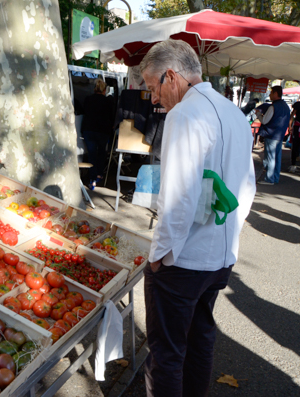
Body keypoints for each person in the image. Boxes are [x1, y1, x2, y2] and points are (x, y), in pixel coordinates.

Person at [139, 39, 256, 397]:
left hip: (184, 261)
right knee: (201, 337)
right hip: (220, 258)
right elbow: (247, 187)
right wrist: (230, 234)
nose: (154, 99)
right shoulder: (234, 113)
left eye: (151, 88)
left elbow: (178, 199)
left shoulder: (184, 115)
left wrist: (158, 256)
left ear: (170, 77)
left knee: (167, 352)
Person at [81, 78, 115, 189]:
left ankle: (92, 180)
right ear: (104, 90)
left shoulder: (88, 99)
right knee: (101, 154)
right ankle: (99, 175)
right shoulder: (108, 101)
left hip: (89, 130)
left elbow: (85, 112)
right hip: (103, 131)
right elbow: (111, 116)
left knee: (91, 155)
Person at [255, 86, 290, 184]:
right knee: (277, 158)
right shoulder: (285, 106)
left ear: (275, 93)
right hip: (280, 135)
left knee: (270, 158)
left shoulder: (273, 106)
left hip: (271, 134)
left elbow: (265, 121)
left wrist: (258, 114)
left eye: (271, 93)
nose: (269, 95)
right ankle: (275, 178)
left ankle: (269, 179)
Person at [288, 101, 300, 171]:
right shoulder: (298, 104)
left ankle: (293, 165)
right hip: (297, 127)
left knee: (295, 146)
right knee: (295, 146)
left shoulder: (297, 104)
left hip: (297, 127)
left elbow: (292, 115)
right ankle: (293, 165)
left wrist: (290, 126)